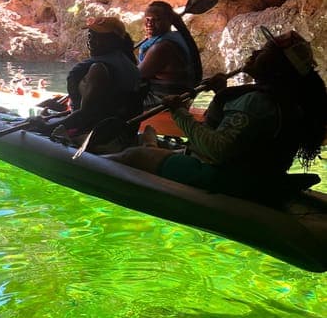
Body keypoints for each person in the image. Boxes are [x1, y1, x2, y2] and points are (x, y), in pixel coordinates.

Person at [108, 27, 327, 201]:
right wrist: (221, 91)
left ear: (276, 66)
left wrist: (179, 112)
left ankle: (96, 160)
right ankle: (151, 147)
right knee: (152, 142)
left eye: (264, 51)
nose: (255, 53)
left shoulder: (258, 101)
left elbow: (218, 150)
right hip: (258, 176)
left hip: (229, 180)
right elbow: (247, 132)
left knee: (132, 156)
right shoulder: (285, 101)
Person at [34, 17, 142, 149]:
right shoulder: (131, 66)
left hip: (93, 136)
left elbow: (86, 115)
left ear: (115, 41)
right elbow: (104, 108)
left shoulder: (99, 69)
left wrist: (45, 127)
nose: (91, 40)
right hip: (118, 134)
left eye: (99, 37)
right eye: (90, 35)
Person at [137, 0, 202, 106]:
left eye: (156, 19)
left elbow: (135, 76)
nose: (150, 23)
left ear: (169, 21)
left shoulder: (161, 47)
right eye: (147, 19)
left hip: (163, 100)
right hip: (181, 95)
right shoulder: (178, 36)